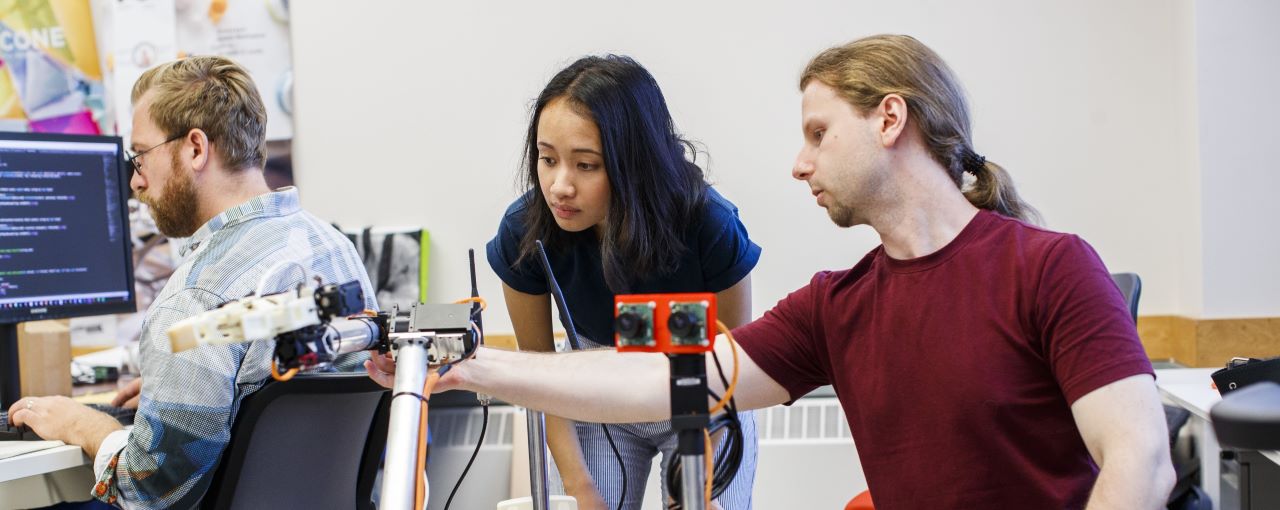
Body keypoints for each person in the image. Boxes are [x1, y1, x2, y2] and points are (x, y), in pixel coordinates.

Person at [369, 35, 1175, 509]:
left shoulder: (1051, 268)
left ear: (889, 119)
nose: (798, 162)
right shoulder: (835, 308)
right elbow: (663, 383)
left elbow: (1139, 458)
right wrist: (471, 365)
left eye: (819, 133)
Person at [7, 56, 376, 508]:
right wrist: (188, 394)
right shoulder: (335, 248)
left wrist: (84, 425)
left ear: (196, 148)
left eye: (140, 156)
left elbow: (151, 495)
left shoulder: (195, 302)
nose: (136, 182)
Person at [485, 55, 761, 510]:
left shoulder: (708, 223)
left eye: (586, 165)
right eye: (547, 159)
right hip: (594, 394)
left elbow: (731, 369)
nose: (559, 186)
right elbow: (539, 374)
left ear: (636, 162)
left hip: (699, 391)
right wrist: (581, 491)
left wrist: (697, 485)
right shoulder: (525, 230)